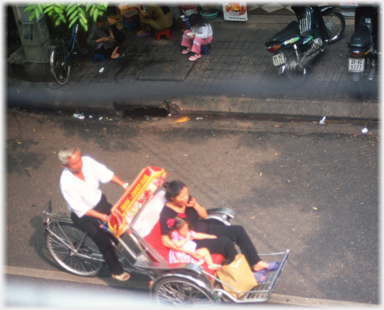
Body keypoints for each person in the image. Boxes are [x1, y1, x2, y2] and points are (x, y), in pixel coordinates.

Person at [160, 181, 280, 280]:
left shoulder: (188, 200)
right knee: (225, 243)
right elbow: (165, 241)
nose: (186, 197)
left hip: (206, 228)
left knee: (238, 231)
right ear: (172, 198)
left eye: (187, 193)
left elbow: (204, 215)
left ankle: (257, 263)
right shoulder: (166, 214)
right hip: (193, 241)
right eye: (182, 196)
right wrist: (188, 251)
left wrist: (195, 204)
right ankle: (246, 277)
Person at [58, 146, 130, 281]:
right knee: (104, 242)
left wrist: (124, 185)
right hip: (85, 215)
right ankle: (116, 271)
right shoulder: (66, 183)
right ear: (66, 166)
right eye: (75, 163)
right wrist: (100, 216)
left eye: (79, 160)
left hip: (100, 202)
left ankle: (115, 239)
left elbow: (105, 173)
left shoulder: (88, 162)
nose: (80, 164)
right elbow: (79, 208)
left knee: (120, 221)